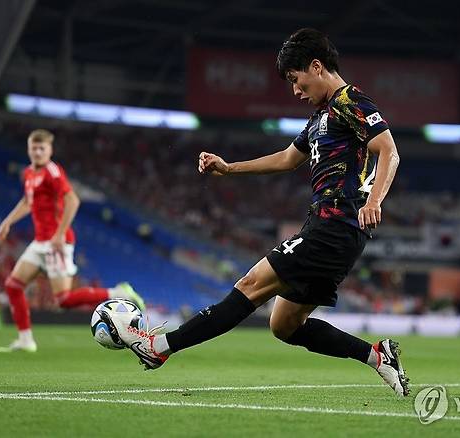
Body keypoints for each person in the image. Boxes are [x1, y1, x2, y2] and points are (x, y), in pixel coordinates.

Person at [114, 28, 408, 397]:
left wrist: (374, 200)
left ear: (316, 67)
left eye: (295, 79)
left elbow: (388, 149)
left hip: (335, 223)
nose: (295, 91)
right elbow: (288, 159)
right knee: (284, 325)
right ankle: (378, 357)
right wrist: (229, 167)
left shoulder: (350, 101)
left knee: (250, 286)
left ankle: (159, 348)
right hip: (333, 229)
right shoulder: (321, 116)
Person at [0, 129, 144, 352]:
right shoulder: (28, 173)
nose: (37, 152)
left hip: (57, 242)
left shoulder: (53, 172)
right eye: (33, 147)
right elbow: (28, 203)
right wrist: (7, 222)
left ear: (50, 150)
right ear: (28, 149)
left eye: (42, 148)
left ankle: (118, 293)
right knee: (13, 285)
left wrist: (58, 234)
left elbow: (73, 200)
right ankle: (26, 340)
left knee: (63, 300)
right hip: (39, 242)